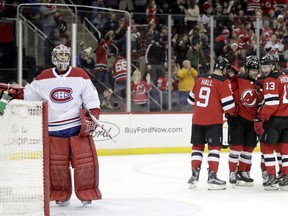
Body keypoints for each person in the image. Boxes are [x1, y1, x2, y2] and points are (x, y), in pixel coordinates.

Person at [24, 44, 102, 205]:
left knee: (85, 163)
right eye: (60, 55)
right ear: (53, 57)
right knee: (56, 165)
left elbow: (92, 98)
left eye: (65, 55)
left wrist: (93, 114)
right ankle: (60, 194)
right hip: (53, 129)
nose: (63, 58)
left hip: (76, 128)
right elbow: (28, 95)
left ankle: (86, 193)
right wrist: (11, 92)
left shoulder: (80, 74)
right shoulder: (43, 77)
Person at [187, 56, 236, 190]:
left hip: (197, 119)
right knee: (214, 147)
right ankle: (212, 176)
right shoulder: (223, 82)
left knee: (197, 147)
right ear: (224, 68)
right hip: (213, 120)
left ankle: (194, 175)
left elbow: (190, 101)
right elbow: (229, 107)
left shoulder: (200, 78)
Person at [227, 56, 263, 187]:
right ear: (247, 70)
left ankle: (242, 172)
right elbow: (227, 87)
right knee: (236, 148)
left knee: (248, 149)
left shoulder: (259, 84)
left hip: (252, 121)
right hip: (238, 119)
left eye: (256, 69)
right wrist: (230, 73)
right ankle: (232, 172)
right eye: (253, 69)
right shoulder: (239, 80)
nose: (255, 72)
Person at [254, 55, 288, 191]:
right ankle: (285, 177)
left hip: (274, 119)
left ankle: (272, 177)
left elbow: (272, 104)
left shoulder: (270, 79)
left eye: (266, 66)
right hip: (287, 118)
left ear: (273, 66)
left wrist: (260, 118)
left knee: (267, 147)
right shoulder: (285, 76)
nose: (264, 69)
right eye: (262, 66)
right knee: (285, 149)